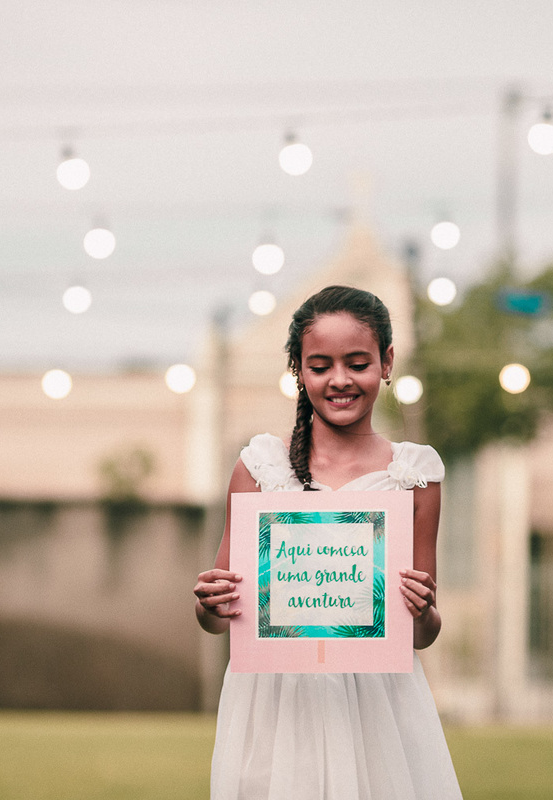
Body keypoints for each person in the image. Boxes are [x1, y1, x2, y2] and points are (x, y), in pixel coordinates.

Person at [193, 285, 463, 799]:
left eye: (357, 363)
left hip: (378, 703)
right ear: (298, 370)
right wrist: (210, 602)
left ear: (386, 362)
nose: (340, 380)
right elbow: (217, 619)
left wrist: (422, 609)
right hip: (277, 700)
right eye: (320, 366)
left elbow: (422, 632)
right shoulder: (260, 469)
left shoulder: (414, 475)